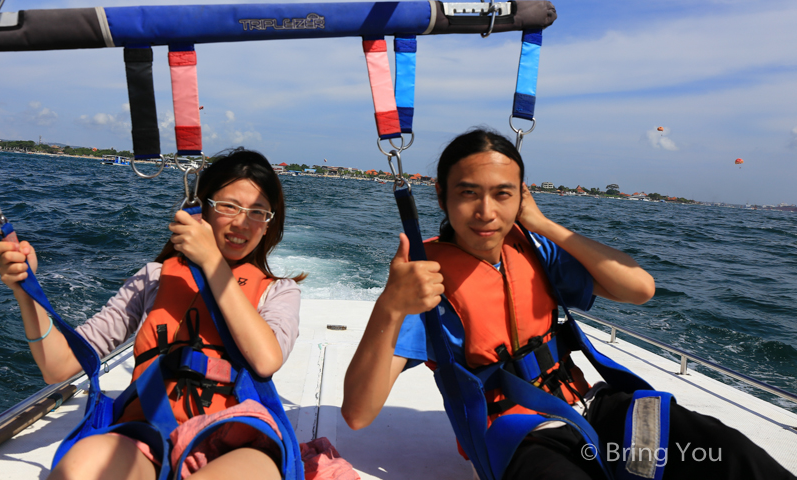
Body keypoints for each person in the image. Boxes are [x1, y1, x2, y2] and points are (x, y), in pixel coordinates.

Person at [341, 128, 795, 480]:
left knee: (727, 452)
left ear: (521, 196)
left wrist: (544, 224)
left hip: (595, 407)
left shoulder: (535, 249)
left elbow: (640, 288)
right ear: (441, 195)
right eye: (467, 192)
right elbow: (359, 415)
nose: (486, 212)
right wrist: (390, 306)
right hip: (520, 435)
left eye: (503, 193)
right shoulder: (427, 284)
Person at [0, 148, 305, 480]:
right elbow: (58, 366)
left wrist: (212, 262)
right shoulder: (154, 278)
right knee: (79, 468)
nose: (242, 222)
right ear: (201, 209)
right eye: (229, 206)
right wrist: (26, 291)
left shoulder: (279, 291)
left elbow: (266, 359)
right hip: (151, 433)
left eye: (258, 212)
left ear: (270, 224)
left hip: (239, 442)